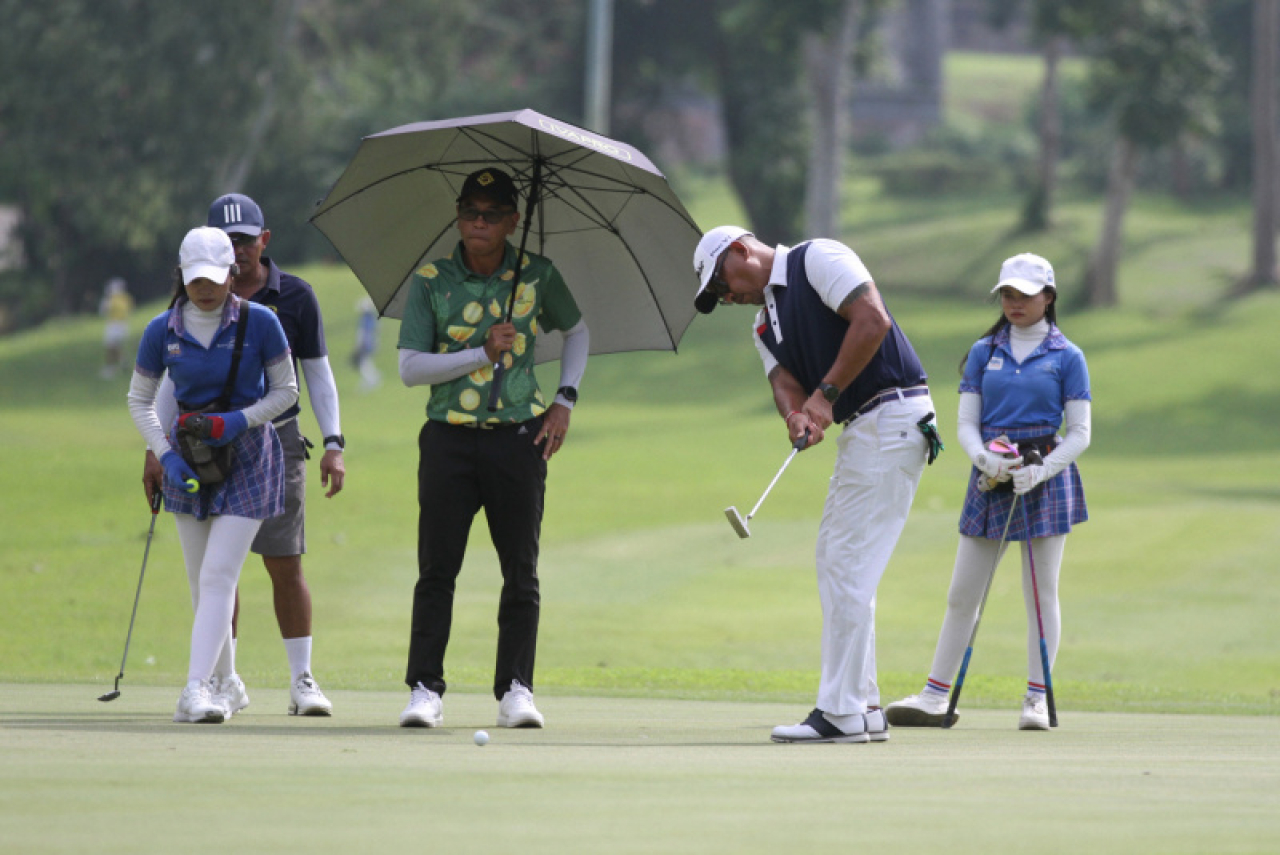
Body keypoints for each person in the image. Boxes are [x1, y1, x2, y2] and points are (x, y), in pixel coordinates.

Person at [691, 226, 938, 744]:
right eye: (716, 295)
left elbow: (872, 320)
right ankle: (865, 706)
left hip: (891, 413)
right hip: (871, 427)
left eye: (721, 282)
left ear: (740, 251)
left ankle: (841, 712)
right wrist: (796, 416)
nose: (726, 296)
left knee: (845, 562)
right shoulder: (763, 324)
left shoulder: (816, 259)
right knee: (841, 561)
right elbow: (783, 380)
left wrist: (825, 395)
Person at [396, 167, 589, 729]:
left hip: (518, 438)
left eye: (490, 214)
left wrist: (565, 400)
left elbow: (577, 331)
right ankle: (425, 688)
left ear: (513, 221)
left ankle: (516, 690)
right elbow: (410, 368)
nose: (477, 223)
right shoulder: (431, 279)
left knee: (521, 570)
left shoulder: (537, 275)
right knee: (437, 568)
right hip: (447, 438)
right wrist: (482, 353)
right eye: (468, 212)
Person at [143, 193, 345, 717]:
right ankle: (219, 681)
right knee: (213, 575)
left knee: (283, 561)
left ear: (263, 240)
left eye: (244, 240)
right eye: (225, 241)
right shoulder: (178, 313)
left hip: (271, 441)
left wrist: (334, 442)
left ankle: (300, 679)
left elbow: (312, 377)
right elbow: (168, 382)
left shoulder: (292, 298)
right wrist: (157, 450)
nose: (237, 250)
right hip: (194, 446)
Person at [885, 252, 1091, 731]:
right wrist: (986, 460)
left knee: (1040, 594)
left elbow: (1079, 433)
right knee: (962, 593)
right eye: (1007, 294)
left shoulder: (1067, 356)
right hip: (990, 474)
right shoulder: (984, 351)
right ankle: (936, 696)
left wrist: (1041, 472)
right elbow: (966, 424)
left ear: (1049, 297)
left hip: (1046, 472)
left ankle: (1036, 700)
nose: (1015, 302)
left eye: (1025, 293)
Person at [128, 226, 298, 723]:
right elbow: (140, 399)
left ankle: (194, 689)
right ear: (181, 275)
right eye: (194, 277)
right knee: (201, 583)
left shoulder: (261, 322)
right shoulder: (162, 330)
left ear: (232, 273)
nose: (205, 287)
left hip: (249, 451)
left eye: (215, 277)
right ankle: (228, 683)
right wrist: (164, 453)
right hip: (188, 455)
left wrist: (238, 421)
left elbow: (286, 392)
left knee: (221, 573)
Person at [99, 276, 134, 378]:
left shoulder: (110, 300)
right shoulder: (126, 298)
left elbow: (103, 312)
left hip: (113, 325)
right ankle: (123, 363)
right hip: (124, 325)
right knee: (117, 347)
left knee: (110, 348)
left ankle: (110, 369)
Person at [352, 295, 382, 390]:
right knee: (365, 362)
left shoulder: (367, 319)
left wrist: (359, 345)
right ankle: (372, 378)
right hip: (368, 343)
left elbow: (364, 333)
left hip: (366, 344)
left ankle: (372, 379)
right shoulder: (371, 318)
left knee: (363, 363)